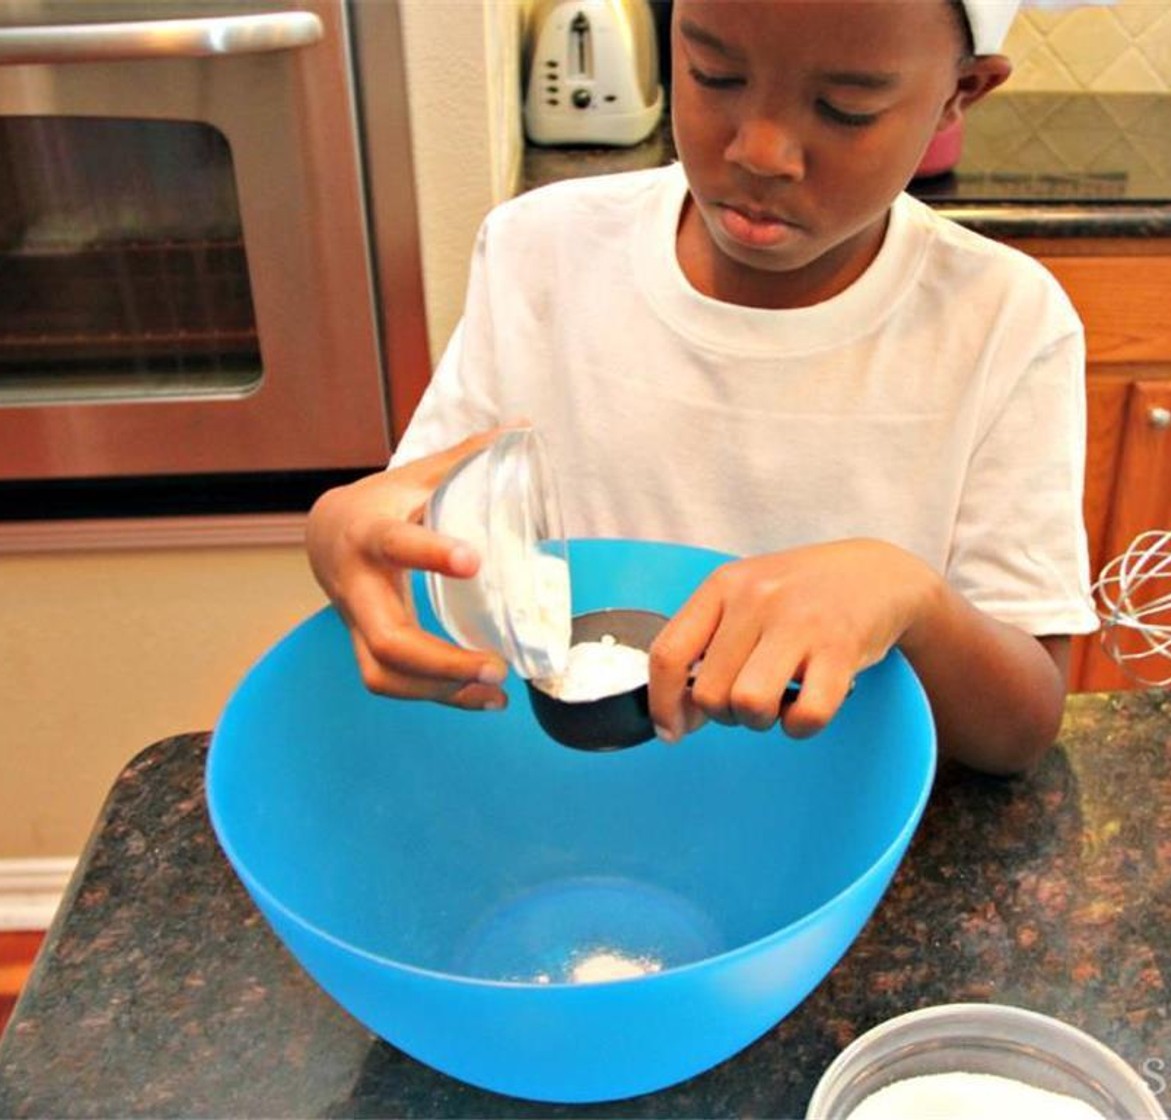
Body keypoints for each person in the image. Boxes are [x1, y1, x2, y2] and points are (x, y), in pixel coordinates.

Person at [306, 0, 1098, 774]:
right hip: (573, 799)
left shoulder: (1002, 322)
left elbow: (1020, 729)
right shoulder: (541, 253)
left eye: (844, 109)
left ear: (961, 94)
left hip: (836, 811)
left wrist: (914, 597)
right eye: (713, 74)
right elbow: (428, 526)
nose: (759, 151)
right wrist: (342, 532)